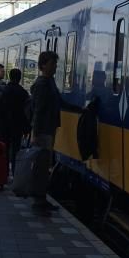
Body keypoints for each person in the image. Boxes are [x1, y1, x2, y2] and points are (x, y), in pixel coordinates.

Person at [29, 50, 83, 214]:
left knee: (45, 166)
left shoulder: (49, 82)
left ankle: (42, 199)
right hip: (43, 131)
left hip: (49, 129)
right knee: (41, 166)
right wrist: (35, 133)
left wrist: (80, 110)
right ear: (43, 64)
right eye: (53, 64)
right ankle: (38, 201)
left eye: (56, 64)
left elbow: (60, 102)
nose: (55, 67)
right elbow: (38, 111)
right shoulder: (41, 84)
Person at [0, 68, 30, 177]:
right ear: (20, 78)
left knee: (3, 149)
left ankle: (2, 172)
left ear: (10, 76)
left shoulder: (4, 90)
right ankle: (15, 173)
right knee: (16, 150)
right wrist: (26, 127)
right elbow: (25, 111)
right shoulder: (23, 93)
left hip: (4, 125)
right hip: (17, 125)